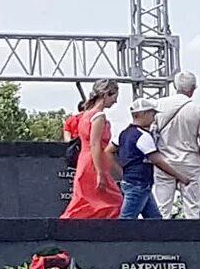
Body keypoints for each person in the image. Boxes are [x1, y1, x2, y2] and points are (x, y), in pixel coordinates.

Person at [60, 82, 122, 220]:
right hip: (93, 163)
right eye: (114, 97)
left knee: (85, 202)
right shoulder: (98, 116)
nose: (115, 101)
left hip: (85, 160)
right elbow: (95, 145)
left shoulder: (86, 115)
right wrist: (100, 173)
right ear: (106, 94)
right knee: (113, 201)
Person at [153, 71, 200, 219]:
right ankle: (193, 239)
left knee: (162, 207)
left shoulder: (158, 104)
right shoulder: (199, 110)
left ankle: (159, 239)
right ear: (193, 89)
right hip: (190, 162)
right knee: (192, 208)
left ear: (174, 86)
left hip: (164, 161)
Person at [115, 98, 164, 221]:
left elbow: (108, 150)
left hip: (133, 182)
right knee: (126, 219)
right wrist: (180, 177)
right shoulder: (143, 136)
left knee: (154, 219)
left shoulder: (124, 133)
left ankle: (156, 239)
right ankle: (117, 239)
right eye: (152, 114)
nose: (153, 119)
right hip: (139, 183)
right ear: (143, 114)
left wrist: (120, 171)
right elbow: (156, 160)